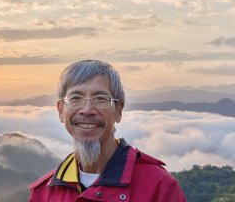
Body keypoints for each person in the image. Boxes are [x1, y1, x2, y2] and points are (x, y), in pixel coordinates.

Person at [29, 60, 186, 202]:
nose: (87, 110)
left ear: (119, 110)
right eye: (75, 98)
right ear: (60, 110)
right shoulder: (44, 193)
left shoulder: (159, 187)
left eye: (100, 99)